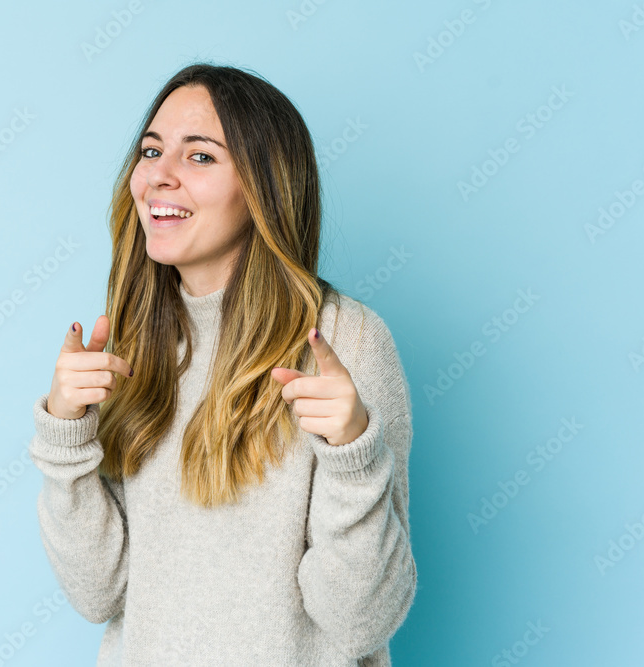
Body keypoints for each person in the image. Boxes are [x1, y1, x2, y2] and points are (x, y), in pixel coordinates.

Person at [28, 62, 417, 666]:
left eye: (201, 156)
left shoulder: (345, 343)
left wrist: (353, 458)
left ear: (264, 186)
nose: (159, 176)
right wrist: (64, 436)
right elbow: (97, 592)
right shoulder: (130, 343)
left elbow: (360, 620)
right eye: (152, 150)